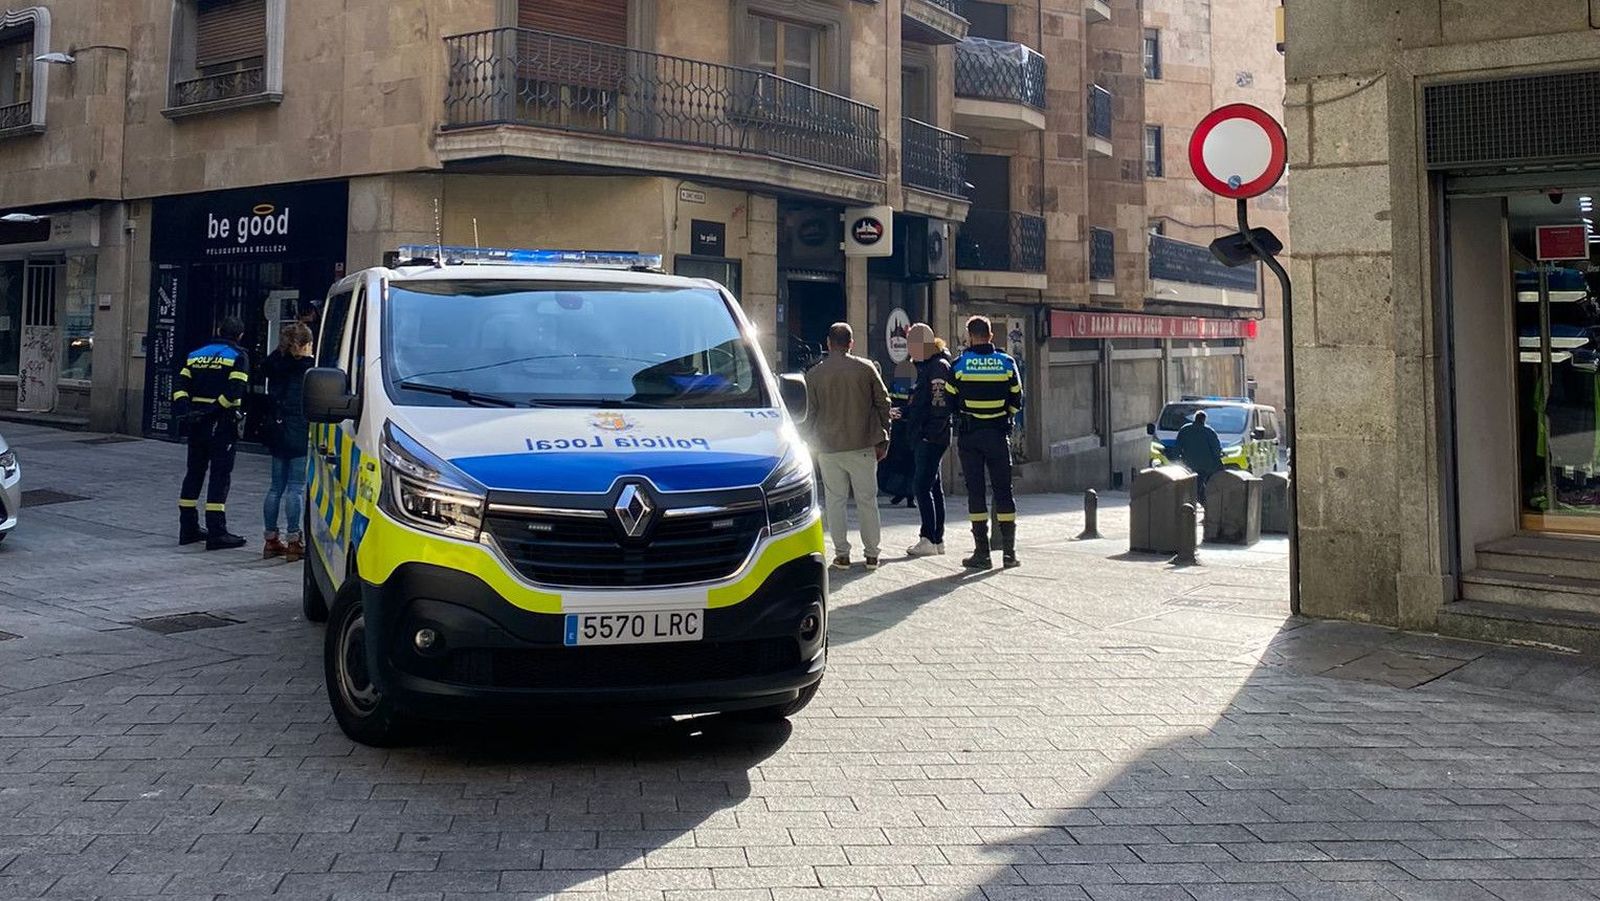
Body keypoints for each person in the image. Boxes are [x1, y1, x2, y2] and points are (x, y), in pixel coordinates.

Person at [804, 322, 892, 569]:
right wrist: (883, 437)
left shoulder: (814, 374)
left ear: (828, 343)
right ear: (851, 343)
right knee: (867, 500)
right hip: (863, 444)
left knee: (835, 501)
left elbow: (810, 414)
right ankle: (872, 554)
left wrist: (808, 443)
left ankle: (842, 553)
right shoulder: (866, 369)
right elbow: (884, 403)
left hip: (828, 446)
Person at [945, 315, 1023, 570]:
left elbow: (949, 402)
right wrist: (1004, 417)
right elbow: (1017, 399)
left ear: (969, 336)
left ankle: (982, 553)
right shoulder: (1007, 362)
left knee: (976, 493)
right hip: (998, 435)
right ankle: (1009, 554)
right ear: (991, 336)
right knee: (1004, 492)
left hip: (970, 436)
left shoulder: (958, 365)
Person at [172, 315, 250, 550]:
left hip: (196, 423)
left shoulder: (195, 354)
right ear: (240, 335)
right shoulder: (239, 356)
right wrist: (212, 411)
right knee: (220, 475)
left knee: (194, 472)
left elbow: (180, 386)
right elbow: (234, 391)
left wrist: (188, 411)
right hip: (222, 424)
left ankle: (188, 528)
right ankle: (217, 531)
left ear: (218, 330)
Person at [261, 323, 314, 562]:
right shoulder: (307, 369)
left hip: (277, 429)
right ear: (303, 345)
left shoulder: (274, 364)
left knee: (275, 487)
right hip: (299, 429)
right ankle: (294, 541)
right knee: (296, 488)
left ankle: (271, 539)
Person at [902, 323, 953, 557]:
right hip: (931, 434)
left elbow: (939, 405)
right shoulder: (929, 366)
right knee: (933, 486)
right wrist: (904, 412)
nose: (909, 350)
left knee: (921, 486)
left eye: (911, 344)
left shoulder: (937, 367)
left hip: (931, 437)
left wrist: (927, 433)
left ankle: (928, 538)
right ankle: (937, 538)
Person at [1175, 409, 1225, 506]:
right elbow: (1216, 449)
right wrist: (1218, 460)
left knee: (1193, 484)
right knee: (1208, 483)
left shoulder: (1184, 430)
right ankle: (1204, 501)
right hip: (1206, 465)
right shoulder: (1209, 431)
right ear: (1204, 420)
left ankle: (1193, 500)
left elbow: (1177, 447)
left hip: (1189, 464)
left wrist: (1178, 460)